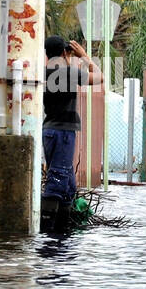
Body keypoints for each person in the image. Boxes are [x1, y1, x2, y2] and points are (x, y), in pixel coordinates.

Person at [42, 35, 102, 231]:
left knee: (68, 185)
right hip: (63, 132)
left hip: (50, 129)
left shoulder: (44, 72)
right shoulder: (68, 73)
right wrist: (84, 56)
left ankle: (62, 230)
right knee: (58, 181)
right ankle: (50, 235)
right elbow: (99, 77)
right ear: (64, 53)